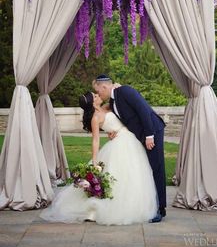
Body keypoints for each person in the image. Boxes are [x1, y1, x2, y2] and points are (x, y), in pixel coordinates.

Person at [40, 91, 157, 225]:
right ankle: (106, 208)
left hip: (129, 139)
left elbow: (118, 104)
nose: (98, 95)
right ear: (92, 102)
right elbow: (95, 140)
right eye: (95, 96)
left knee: (134, 173)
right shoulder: (95, 118)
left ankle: (136, 203)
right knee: (120, 175)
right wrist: (95, 161)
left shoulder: (107, 107)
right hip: (119, 144)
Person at [93, 74, 166, 223]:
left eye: (98, 91)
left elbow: (143, 110)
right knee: (146, 168)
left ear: (104, 87)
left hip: (153, 130)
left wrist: (150, 135)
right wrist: (114, 132)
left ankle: (161, 209)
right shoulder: (113, 103)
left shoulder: (125, 91)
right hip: (139, 136)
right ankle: (151, 203)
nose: (98, 94)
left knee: (157, 167)